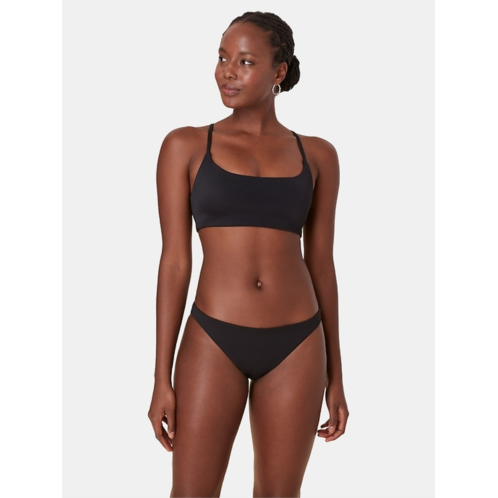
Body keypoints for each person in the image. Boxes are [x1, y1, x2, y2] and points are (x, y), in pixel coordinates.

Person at [148, 11, 349, 497]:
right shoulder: (186, 145)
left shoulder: (318, 155)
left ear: (279, 71)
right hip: (213, 336)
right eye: (222, 58)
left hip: (299, 343)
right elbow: (174, 261)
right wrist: (160, 376)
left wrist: (337, 376)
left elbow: (321, 265)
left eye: (244, 61)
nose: (227, 72)